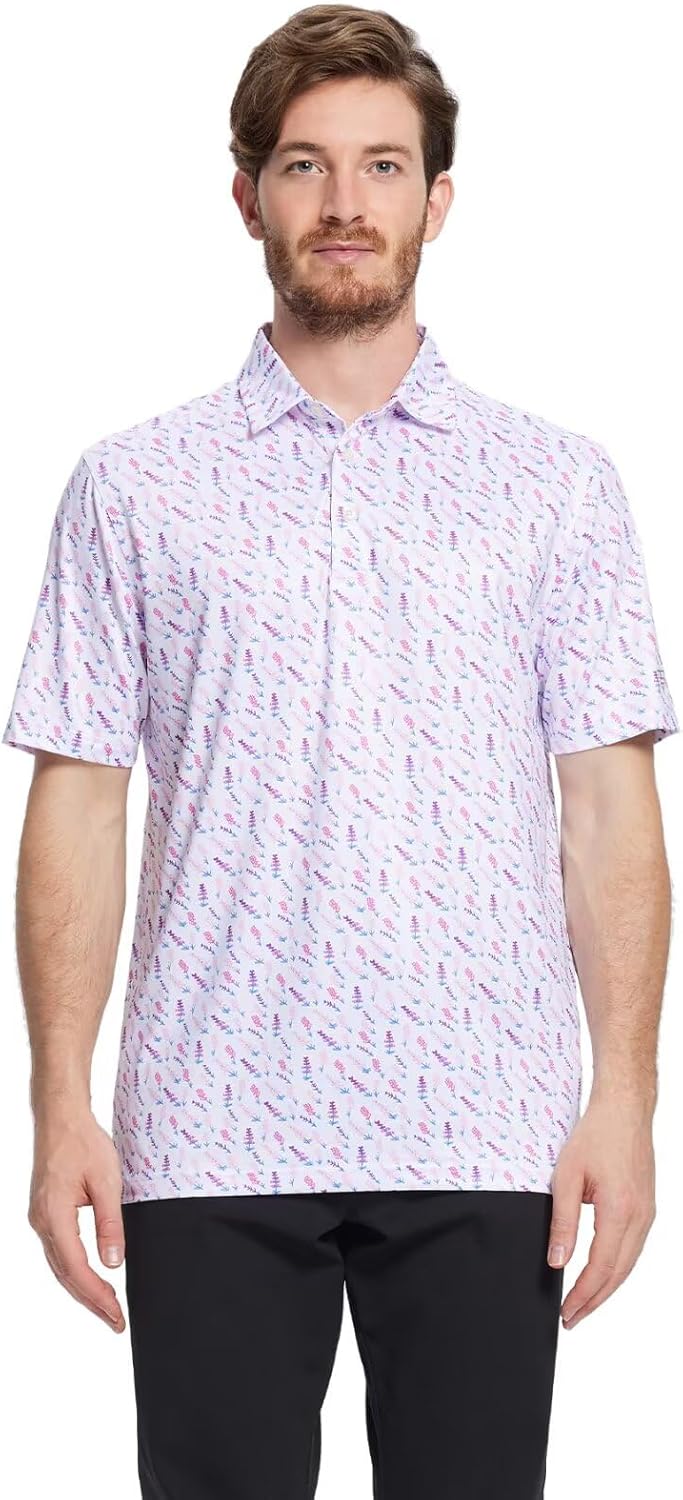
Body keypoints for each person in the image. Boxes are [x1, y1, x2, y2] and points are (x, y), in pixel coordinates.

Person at [3, 6, 678, 1498]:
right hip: (209, 1127)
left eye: (384, 165)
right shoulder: (135, 488)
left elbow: (609, 813)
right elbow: (80, 805)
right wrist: (58, 1105)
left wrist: (627, 1100)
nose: (347, 203)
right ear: (247, 196)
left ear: (440, 199)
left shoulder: (557, 488)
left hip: (489, 1125)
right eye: (306, 165)